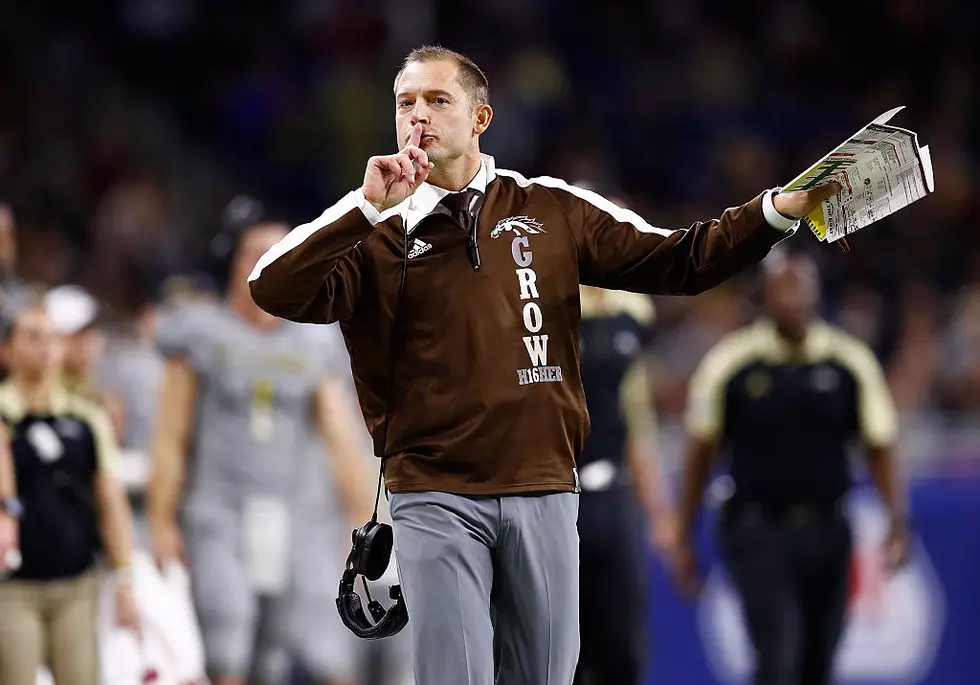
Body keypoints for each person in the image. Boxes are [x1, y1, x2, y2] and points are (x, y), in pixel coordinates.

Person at [247, 44, 839, 685]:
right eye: (405, 103)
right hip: (434, 494)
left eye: (437, 100)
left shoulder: (551, 208)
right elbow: (270, 288)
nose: (418, 116)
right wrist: (362, 209)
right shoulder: (373, 234)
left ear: (480, 119)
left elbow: (682, 260)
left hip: (546, 488)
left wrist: (775, 212)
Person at [147, 210, 372, 685]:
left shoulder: (312, 341)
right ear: (235, 262)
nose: (267, 261)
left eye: (279, 251)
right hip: (220, 508)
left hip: (293, 512)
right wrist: (162, 519)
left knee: (302, 648)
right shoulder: (203, 332)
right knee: (227, 636)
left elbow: (340, 435)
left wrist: (361, 518)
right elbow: (171, 433)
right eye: (254, 252)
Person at [673, 249, 910, 685]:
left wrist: (897, 523)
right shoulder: (733, 364)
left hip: (829, 528)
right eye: (782, 286)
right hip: (757, 530)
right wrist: (682, 534)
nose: (792, 298)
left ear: (817, 291)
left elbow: (880, 446)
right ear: (764, 295)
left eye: (799, 285)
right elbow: (699, 453)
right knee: (777, 657)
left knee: (819, 663)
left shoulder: (848, 361)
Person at [0, 306, 140, 685]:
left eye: (51, 338)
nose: (45, 347)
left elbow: (110, 499)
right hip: (12, 588)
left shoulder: (85, 419)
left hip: (75, 583)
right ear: (7, 350)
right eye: (32, 336)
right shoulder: (3, 414)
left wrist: (124, 574)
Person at [574, 284, 675, 685]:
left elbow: (635, 412)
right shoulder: (539, 299)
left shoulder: (631, 309)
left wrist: (660, 509)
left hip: (616, 492)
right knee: (565, 652)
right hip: (556, 494)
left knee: (626, 649)